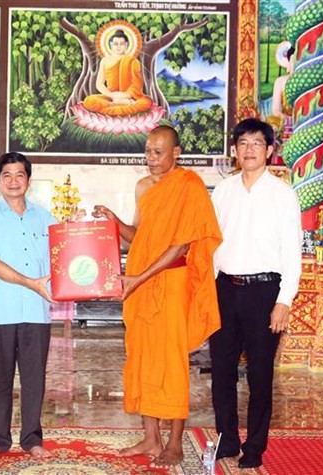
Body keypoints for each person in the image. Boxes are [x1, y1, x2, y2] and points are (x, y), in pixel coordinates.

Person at [92, 125, 222, 467]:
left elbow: (181, 244)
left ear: (176, 153)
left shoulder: (190, 186)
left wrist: (138, 278)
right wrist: (114, 221)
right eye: (147, 151)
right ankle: (151, 438)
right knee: (143, 357)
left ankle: (175, 441)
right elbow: (139, 237)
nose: (151, 158)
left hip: (171, 283)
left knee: (171, 362)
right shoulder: (143, 187)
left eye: (158, 152)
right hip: (140, 284)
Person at [210, 118, 302, 469]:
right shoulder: (224, 191)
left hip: (264, 291)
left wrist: (284, 301)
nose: (249, 150)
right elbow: (214, 245)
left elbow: (292, 252)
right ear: (234, 150)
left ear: (270, 150)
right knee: (222, 371)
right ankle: (227, 439)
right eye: (243, 143)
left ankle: (255, 446)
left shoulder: (282, 194)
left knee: (260, 374)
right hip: (225, 289)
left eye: (256, 143)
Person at [0, 152, 56, 459]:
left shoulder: (46, 218)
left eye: (19, 175)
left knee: (35, 380)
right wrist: (31, 283)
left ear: (28, 180)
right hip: (1, 313)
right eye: (6, 175)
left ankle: (32, 439)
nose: (13, 181)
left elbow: (61, 257)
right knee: (0, 381)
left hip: (37, 312)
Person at [83, 29, 152, 116]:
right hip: (111, 97)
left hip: (128, 96)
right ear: (111, 44)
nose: (118, 47)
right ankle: (118, 104)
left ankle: (114, 106)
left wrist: (126, 96)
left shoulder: (132, 61)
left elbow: (137, 84)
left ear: (126, 44)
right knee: (89, 101)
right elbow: (99, 84)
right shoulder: (105, 61)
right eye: (116, 44)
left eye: (121, 44)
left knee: (146, 103)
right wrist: (112, 95)